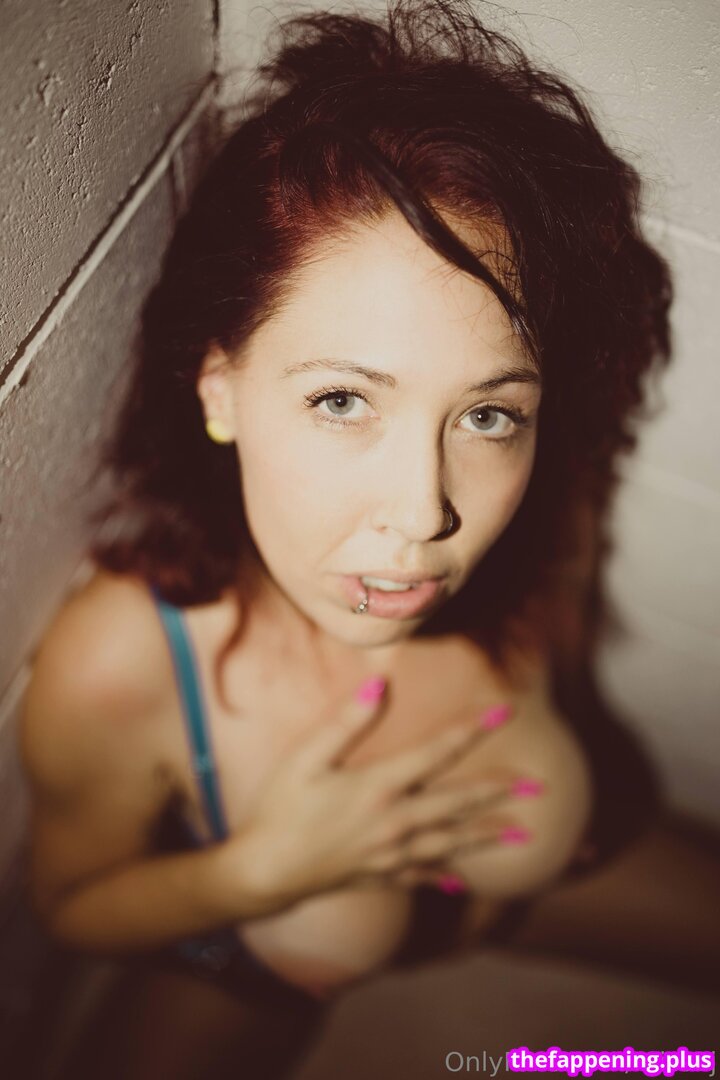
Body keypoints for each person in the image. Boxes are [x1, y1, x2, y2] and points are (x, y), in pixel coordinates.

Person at [18, 1, 683, 1076]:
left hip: (514, 930)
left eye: (487, 414)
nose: (424, 516)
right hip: (248, 968)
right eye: (341, 401)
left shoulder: (541, 517)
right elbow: (69, 905)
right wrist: (260, 873)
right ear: (220, 388)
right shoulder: (124, 662)